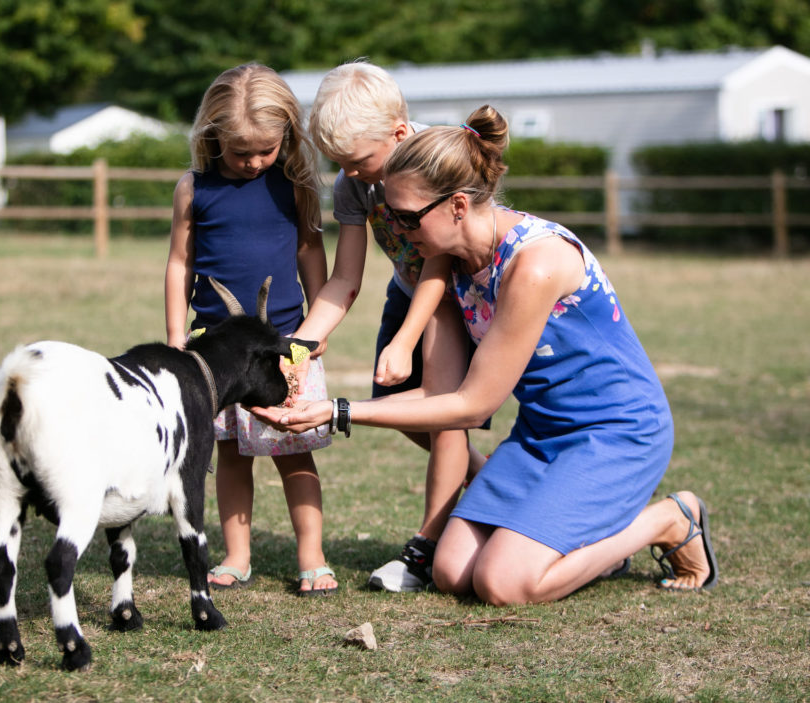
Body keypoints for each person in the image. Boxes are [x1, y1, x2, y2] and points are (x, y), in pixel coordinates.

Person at [253, 105, 719, 602]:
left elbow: (474, 405)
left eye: (408, 218)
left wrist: (338, 413)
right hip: (542, 435)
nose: (399, 231)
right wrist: (318, 400)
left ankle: (667, 520)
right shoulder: (450, 266)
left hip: (617, 433)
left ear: (457, 205)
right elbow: (439, 394)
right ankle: (581, 543)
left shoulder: (535, 263)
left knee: (503, 582)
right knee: (453, 572)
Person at [289, 60, 487, 592]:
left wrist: (405, 341)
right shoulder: (353, 186)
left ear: (399, 134)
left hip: (455, 292)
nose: (351, 174)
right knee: (396, 409)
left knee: (443, 412)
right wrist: (301, 345)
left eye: (358, 161)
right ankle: (495, 484)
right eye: (340, 164)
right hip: (407, 292)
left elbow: (441, 265)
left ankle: (423, 551)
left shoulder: (434, 161)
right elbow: (346, 277)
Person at [165, 63, 337, 596]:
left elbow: (310, 249)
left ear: (287, 135)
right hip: (216, 351)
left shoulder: (295, 184)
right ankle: (237, 555)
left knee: (294, 450)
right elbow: (179, 263)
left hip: (285, 348)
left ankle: (312, 553)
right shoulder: (194, 188)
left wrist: (314, 325)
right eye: (242, 152)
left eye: (266, 149)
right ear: (213, 135)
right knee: (232, 453)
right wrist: (175, 335)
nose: (255, 161)